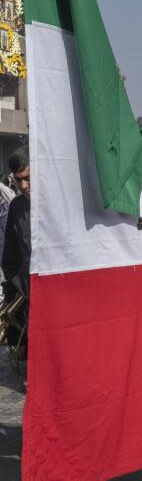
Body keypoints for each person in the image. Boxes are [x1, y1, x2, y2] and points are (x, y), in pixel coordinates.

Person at [1, 147, 30, 357]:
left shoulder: (57, 202)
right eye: (19, 180)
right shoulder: (16, 206)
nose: (23, 186)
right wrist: (17, 286)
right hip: (30, 293)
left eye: (28, 178)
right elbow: (11, 255)